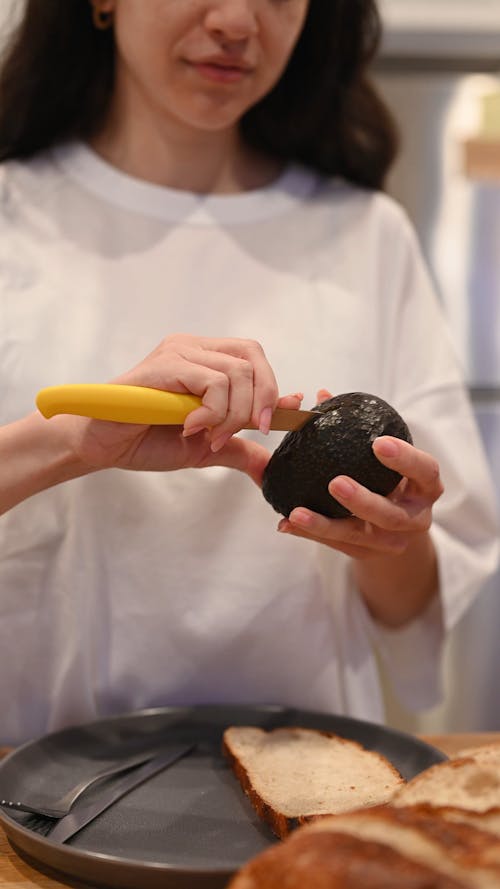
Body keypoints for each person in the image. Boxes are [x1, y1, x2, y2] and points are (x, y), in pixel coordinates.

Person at [0, 0, 497, 747]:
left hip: (313, 802)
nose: (238, 21)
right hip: (38, 798)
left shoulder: (367, 235)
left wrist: (390, 537)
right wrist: (69, 442)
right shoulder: (12, 216)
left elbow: (414, 606)